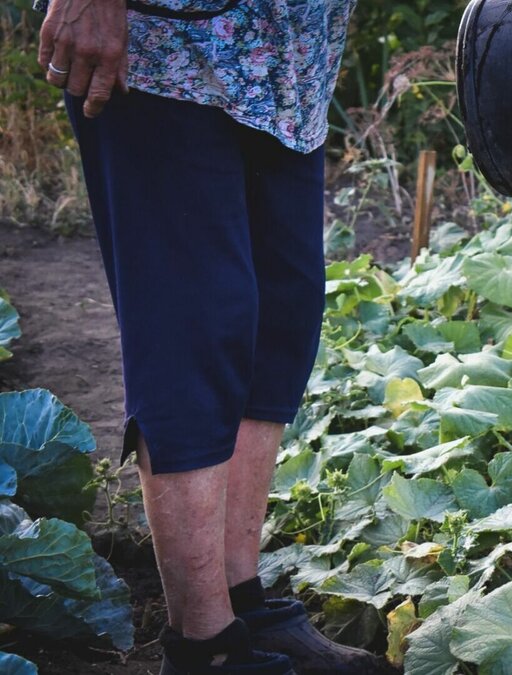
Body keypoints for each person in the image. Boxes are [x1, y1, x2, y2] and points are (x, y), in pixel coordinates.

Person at [35, 0, 389, 672]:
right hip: (166, 49)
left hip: (289, 60)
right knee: (193, 327)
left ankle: (240, 600)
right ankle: (206, 645)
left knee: (280, 318)